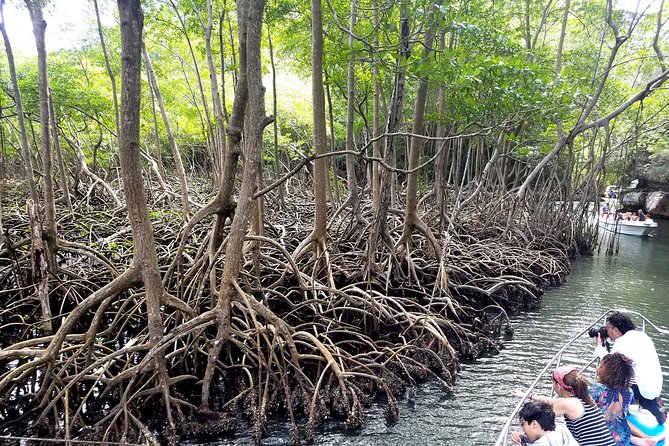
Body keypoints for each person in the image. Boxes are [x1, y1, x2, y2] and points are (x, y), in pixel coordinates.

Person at [513, 365, 615, 445]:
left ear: (558, 386)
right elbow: (553, 401)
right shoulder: (582, 398)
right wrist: (529, 396)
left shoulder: (568, 403)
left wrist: (523, 433)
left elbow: (539, 419)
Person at [594, 311, 666, 425]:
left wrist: (599, 346)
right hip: (655, 386)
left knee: (613, 380)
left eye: (607, 329)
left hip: (641, 389)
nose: (606, 332)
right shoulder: (642, 335)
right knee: (629, 376)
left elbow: (610, 363)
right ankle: (653, 405)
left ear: (616, 330)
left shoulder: (622, 342)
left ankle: (619, 412)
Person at [590, 353, 662, 445]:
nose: (597, 368)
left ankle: (642, 439)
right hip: (623, 438)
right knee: (617, 419)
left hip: (601, 439)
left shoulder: (597, 389)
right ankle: (642, 439)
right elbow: (623, 416)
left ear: (609, 373)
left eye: (600, 367)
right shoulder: (629, 392)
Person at [510, 401, 579, 445]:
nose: (523, 429)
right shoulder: (561, 429)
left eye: (523, 424)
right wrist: (523, 437)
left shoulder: (542, 443)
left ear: (534, 424)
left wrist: (517, 443)